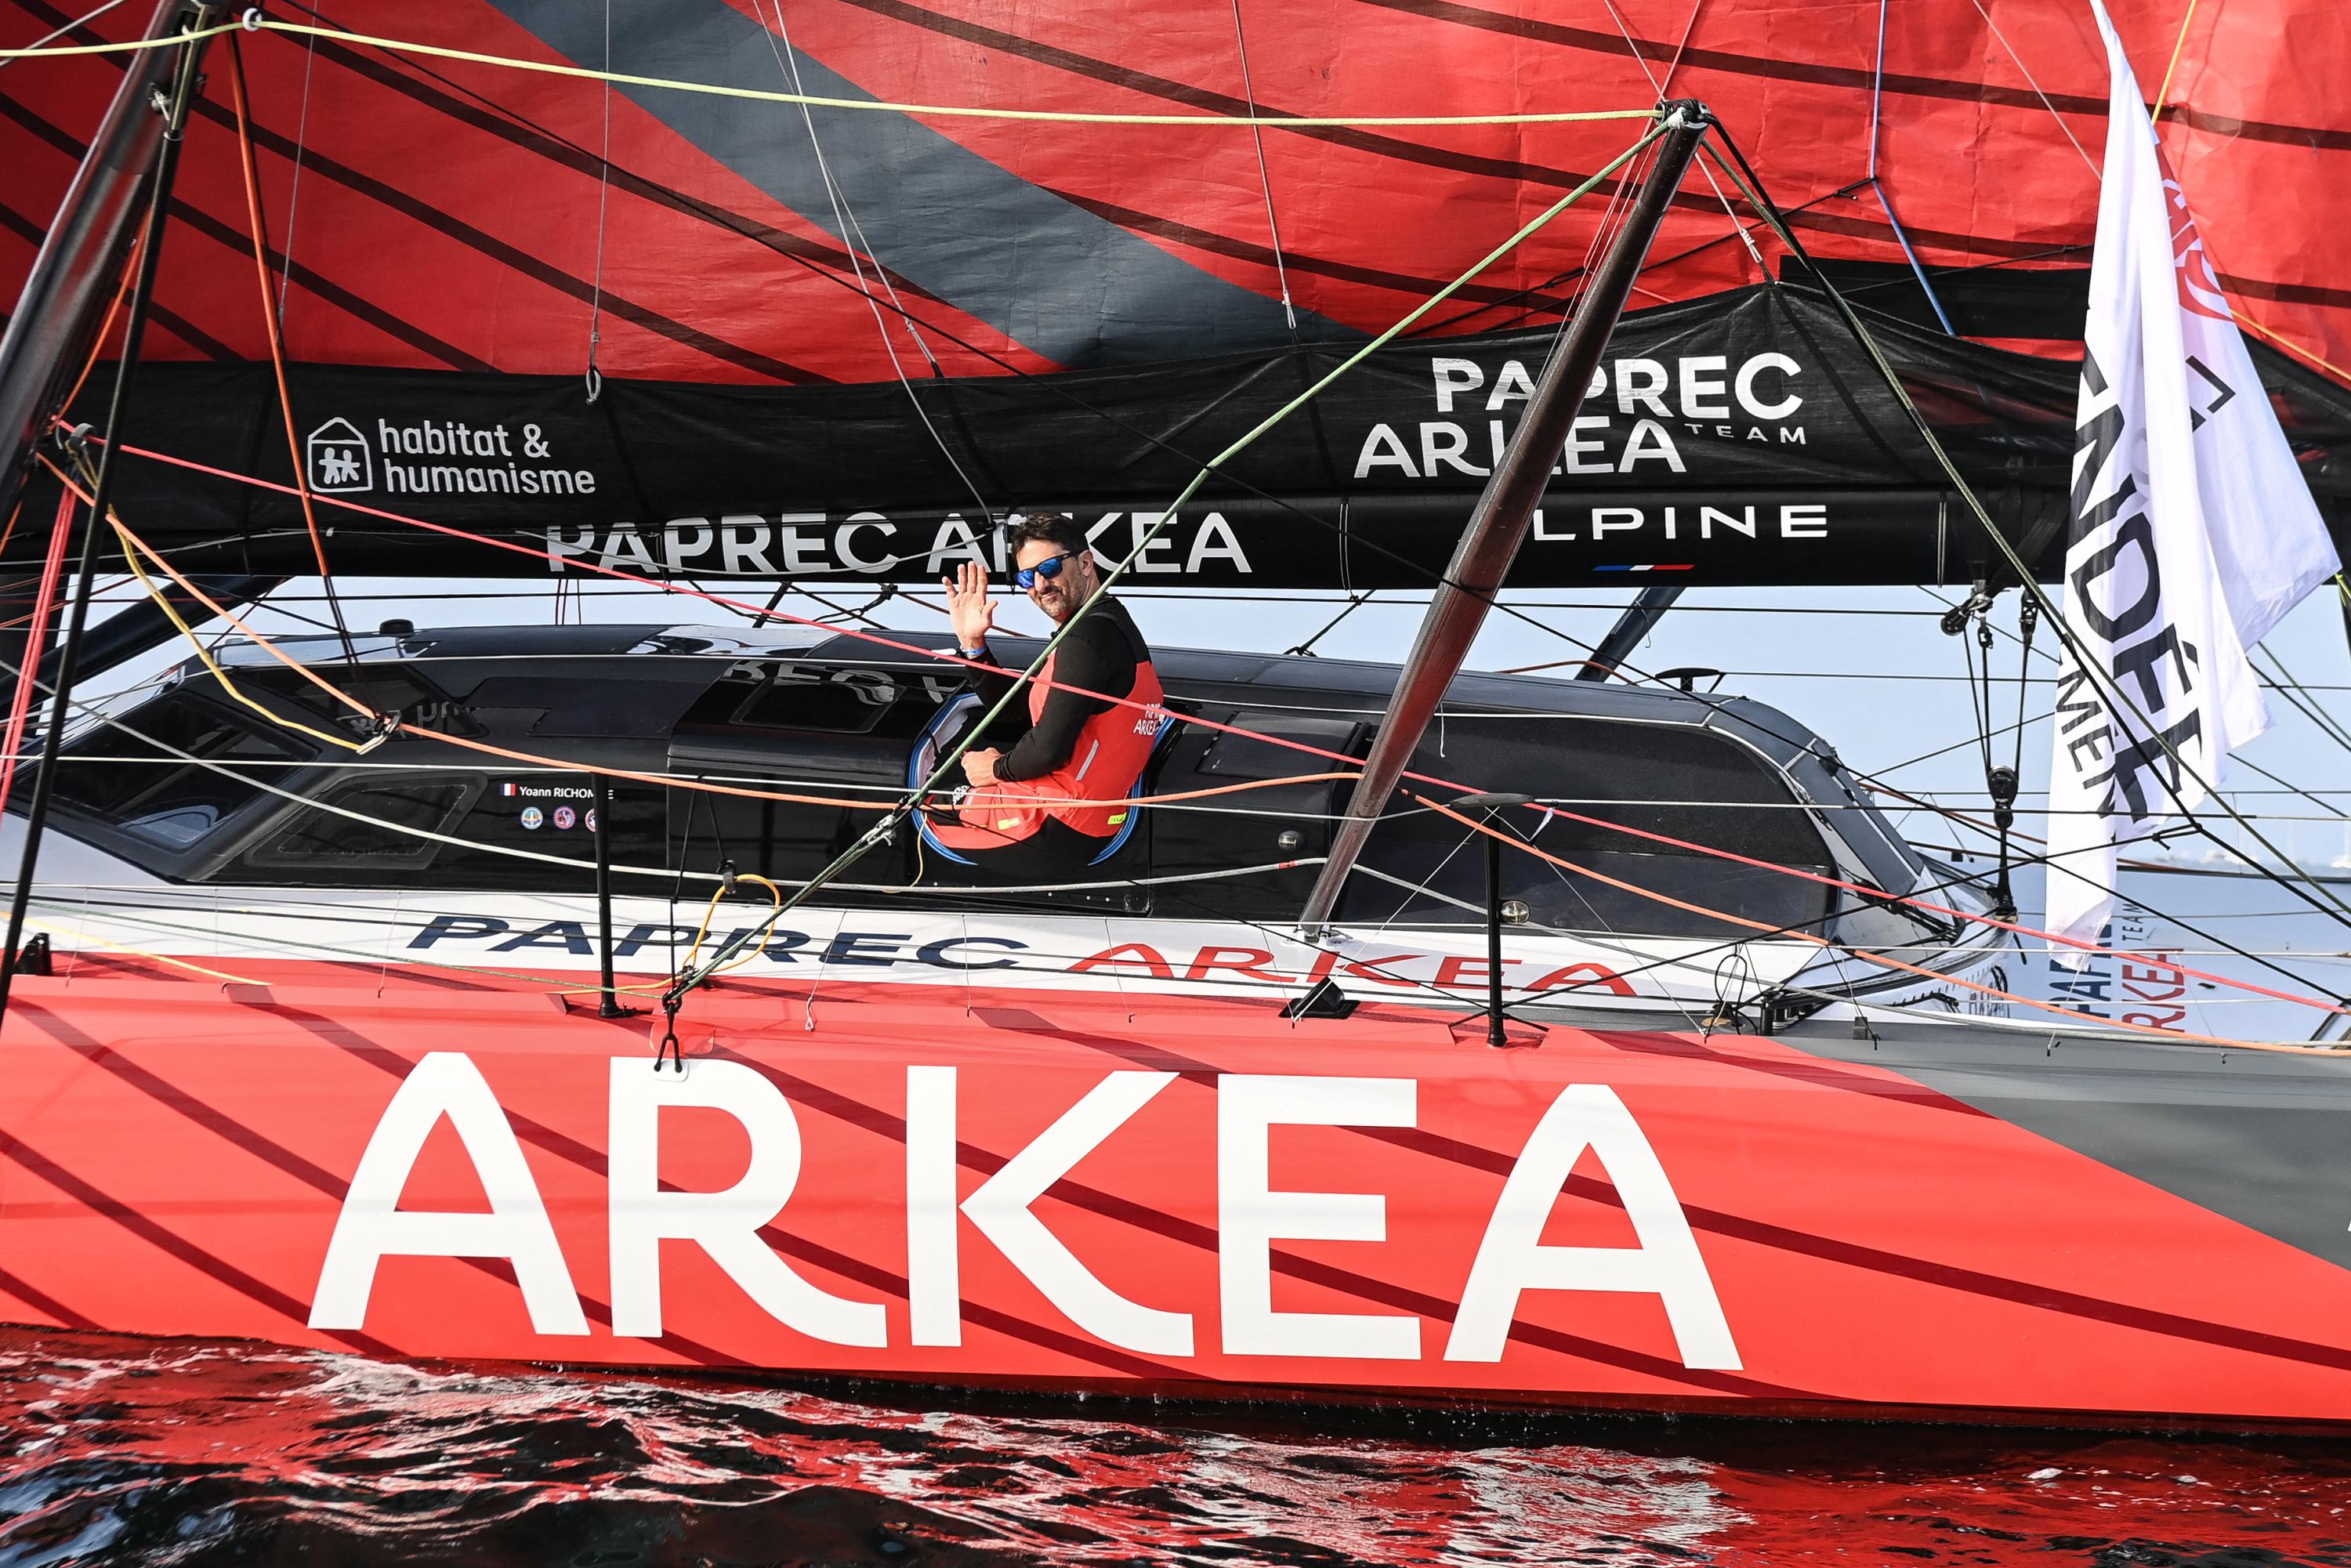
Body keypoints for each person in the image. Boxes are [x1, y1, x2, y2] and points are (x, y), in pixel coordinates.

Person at [930, 512, 1166, 875]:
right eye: (1027, 577)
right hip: (1086, 825)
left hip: (1053, 825)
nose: (1040, 585)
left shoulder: (1087, 640)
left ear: (1085, 563)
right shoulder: (1108, 625)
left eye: (1051, 567)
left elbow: (1048, 751)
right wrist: (973, 646)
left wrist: (991, 769)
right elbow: (1020, 713)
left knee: (912, 812)